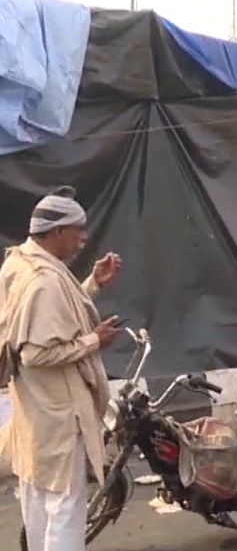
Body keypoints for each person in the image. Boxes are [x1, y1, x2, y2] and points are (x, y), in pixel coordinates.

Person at [0, 187, 123, 551]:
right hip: (59, 417)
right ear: (55, 233)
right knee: (65, 509)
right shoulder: (44, 280)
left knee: (37, 500)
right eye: (78, 229)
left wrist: (93, 285)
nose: (84, 238)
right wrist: (94, 341)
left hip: (34, 413)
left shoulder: (19, 263)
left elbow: (47, 321)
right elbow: (36, 354)